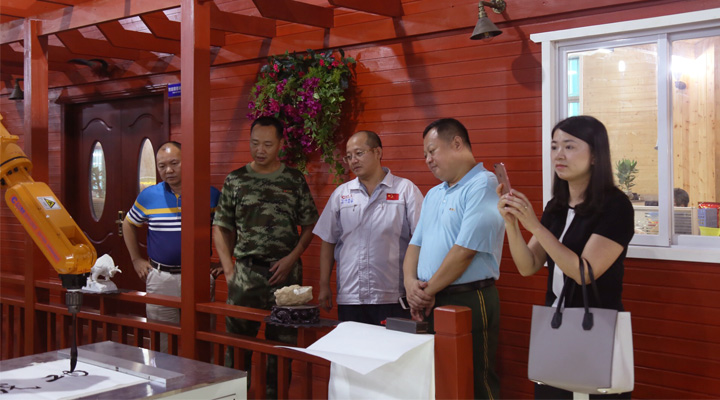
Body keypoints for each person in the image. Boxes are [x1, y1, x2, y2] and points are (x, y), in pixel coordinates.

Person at [497, 115, 634, 399]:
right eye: (554, 146)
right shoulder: (556, 207)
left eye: (569, 146)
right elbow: (528, 266)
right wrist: (512, 223)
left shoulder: (616, 206)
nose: (559, 155)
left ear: (595, 155)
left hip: (596, 326)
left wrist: (535, 226)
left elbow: (584, 272)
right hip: (556, 324)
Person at [212, 116, 318, 398]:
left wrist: (292, 258)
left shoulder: (293, 180)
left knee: (281, 353)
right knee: (236, 352)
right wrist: (229, 270)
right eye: (255, 143)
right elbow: (220, 227)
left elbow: (310, 224)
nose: (260, 150)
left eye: (268, 144)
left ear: (281, 144)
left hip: (286, 278)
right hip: (246, 275)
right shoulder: (236, 179)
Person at [403, 118, 505, 399]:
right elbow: (415, 244)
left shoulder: (483, 184)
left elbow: (464, 252)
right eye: (425, 154)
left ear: (457, 143)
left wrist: (424, 293)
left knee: (476, 379)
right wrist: (410, 285)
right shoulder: (434, 194)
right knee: (440, 381)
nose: (428, 160)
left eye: (432, 151)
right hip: (432, 299)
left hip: (469, 298)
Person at [313, 131, 423, 325]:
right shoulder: (341, 194)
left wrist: (416, 285)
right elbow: (328, 240)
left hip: (392, 296)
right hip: (351, 296)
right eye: (349, 156)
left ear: (378, 152)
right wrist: (324, 285)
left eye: (359, 153)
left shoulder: (405, 190)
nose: (353, 160)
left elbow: (421, 239)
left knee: (390, 345)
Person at [122, 141, 221, 353]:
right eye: (162, 166)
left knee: (203, 341)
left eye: (174, 163)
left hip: (198, 278)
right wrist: (136, 259)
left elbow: (228, 229)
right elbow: (128, 224)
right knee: (162, 343)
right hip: (160, 279)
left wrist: (224, 261)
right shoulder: (149, 195)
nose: (168, 170)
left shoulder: (210, 195)